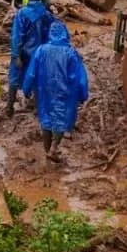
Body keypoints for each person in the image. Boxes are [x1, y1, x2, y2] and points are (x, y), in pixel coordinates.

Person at [23, 20, 89, 163]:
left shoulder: (41, 50)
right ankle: (53, 149)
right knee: (60, 119)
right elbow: (80, 77)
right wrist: (83, 94)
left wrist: (26, 88)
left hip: (44, 91)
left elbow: (31, 72)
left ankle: (48, 151)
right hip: (64, 92)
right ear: (65, 33)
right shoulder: (70, 53)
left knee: (46, 118)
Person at [6, 0, 54, 117]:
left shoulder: (22, 13)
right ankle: (38, 107)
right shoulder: (46, 15)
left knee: (14, 77)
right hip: (40, 53)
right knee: (38, 79)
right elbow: (51, 33)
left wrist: (16, 54)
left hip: (22, 51)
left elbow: (17, 35)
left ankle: (9, 107)